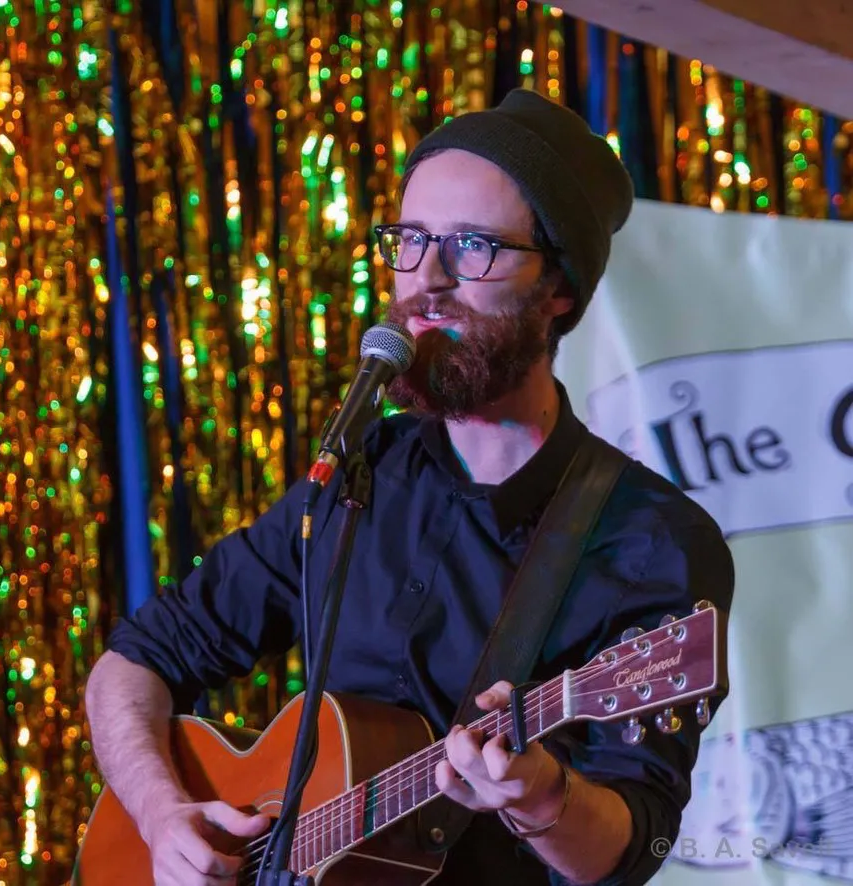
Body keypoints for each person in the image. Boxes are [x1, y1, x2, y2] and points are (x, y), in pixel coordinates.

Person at [84, 88, 734, 886]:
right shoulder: (356, 475)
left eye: (472, 246)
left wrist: (538, 795)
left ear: (558, 290)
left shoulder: (652, 542)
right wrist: (160, 816)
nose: (425, 281)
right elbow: (136, 661)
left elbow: (633, 851)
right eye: (410, 240)